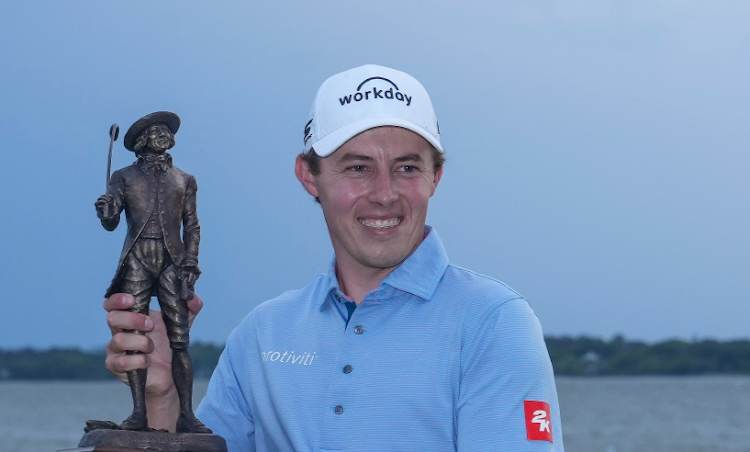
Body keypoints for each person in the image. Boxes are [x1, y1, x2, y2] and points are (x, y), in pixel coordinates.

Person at [104, 65, 564, 450]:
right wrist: (163, 396)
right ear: (309, 176)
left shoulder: (495, 323)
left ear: (435, 176)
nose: (384, 195)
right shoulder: (262, 335)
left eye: (407, 167)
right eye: (357, 167)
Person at [96, 111, 210, 433]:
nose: (163, 135)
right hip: (137, 258)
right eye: (155, 131)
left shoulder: (185, 179)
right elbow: (112, 221)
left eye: (165, 131)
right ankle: (138, 415)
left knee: (180, 341)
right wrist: (105, 211)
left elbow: (193, 227)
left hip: (172, 261)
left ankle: (186, 414)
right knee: (134, 338)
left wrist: (190, 262)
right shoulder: (122, 176)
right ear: (142, 142)